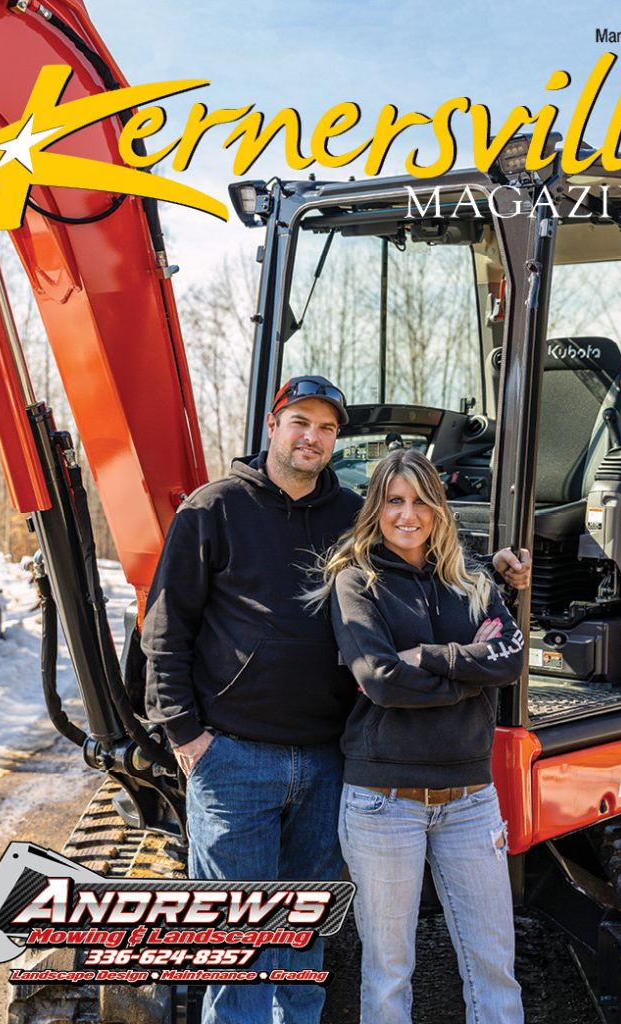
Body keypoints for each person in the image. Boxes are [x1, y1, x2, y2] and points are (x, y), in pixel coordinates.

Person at [143, 375, 530, 1024]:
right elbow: (164, 630)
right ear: (272, 426)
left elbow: (422, 554)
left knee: (303, 949)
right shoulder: (213, 510)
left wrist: (496, 570)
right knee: (237, 954)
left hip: (328, 762)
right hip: (233, 760)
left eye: (326, 428)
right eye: (300, 422)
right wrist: (186, 735)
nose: (313, 437)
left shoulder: (351, 513)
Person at [313, 448, 524, 1024]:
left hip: (472, 802)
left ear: (439, 509)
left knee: (494, 969)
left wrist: (430, 657)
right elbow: (381, 681)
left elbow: (509, 659)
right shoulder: (357, 582)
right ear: (376, 509)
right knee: (388, 974)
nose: (408, 515)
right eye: (394, 501)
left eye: (421, 502)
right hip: (384, 802)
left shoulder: (472, 579)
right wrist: (470, 674)